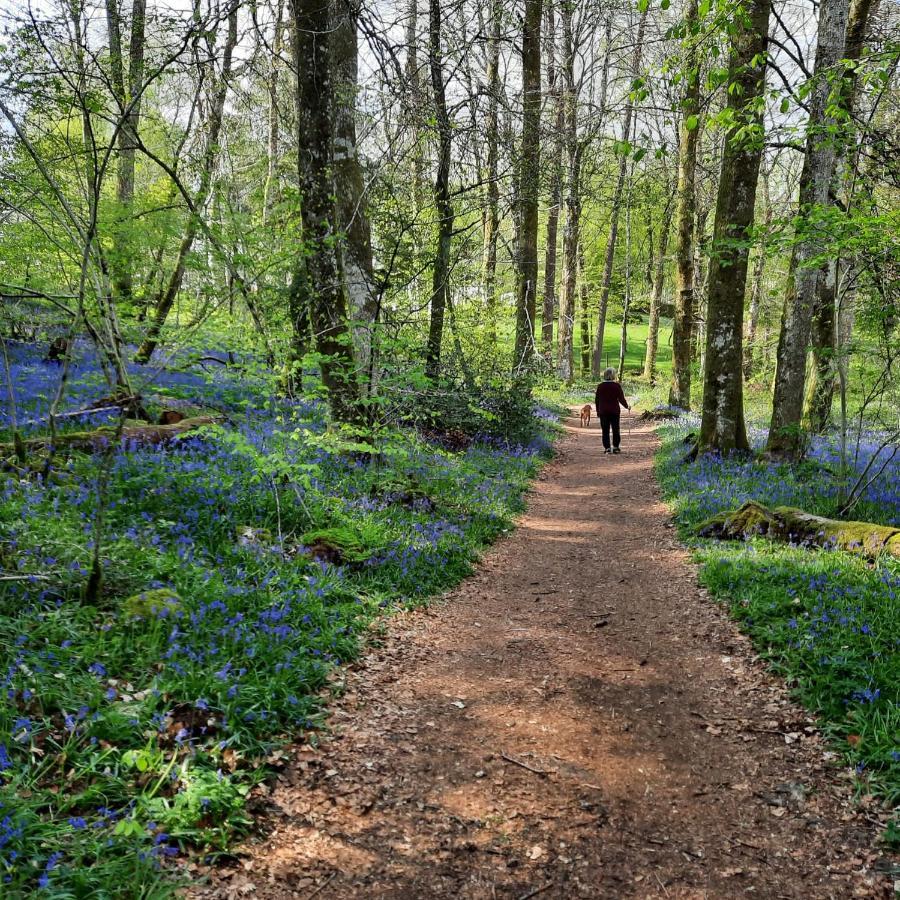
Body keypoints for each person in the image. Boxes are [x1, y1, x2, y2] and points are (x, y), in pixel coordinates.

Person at [594, 368, 630, 454]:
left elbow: (597, 400)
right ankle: (616, 447)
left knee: (605, 430)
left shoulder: (600, 386)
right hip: (614, 411)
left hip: (603, 411)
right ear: (613, 375)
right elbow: (621, 398)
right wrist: (627, 406)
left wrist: (598, 411)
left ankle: (607, 448)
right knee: (615, 429)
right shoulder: (616, 386)